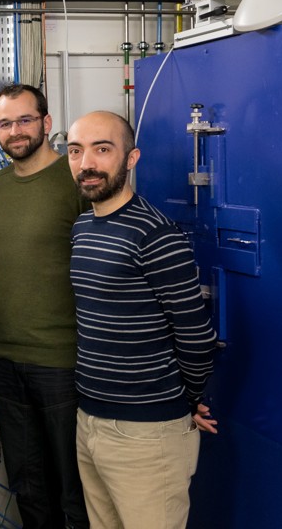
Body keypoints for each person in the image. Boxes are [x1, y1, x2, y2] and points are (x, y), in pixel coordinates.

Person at [66, 110, 218, 529]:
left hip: (147, 435)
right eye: (76, 151)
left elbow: (196, 335)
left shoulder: (156, 235)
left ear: (131, 159)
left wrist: (183, 403)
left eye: (102, 149)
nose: (87, 163)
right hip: (90, 422)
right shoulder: (83, 228)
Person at [0, 84, 89, 529]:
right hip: (6, 359)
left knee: (75, 490)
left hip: (61, 361)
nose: (15, 131)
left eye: (25, 120)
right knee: (28, 488)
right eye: (5, 124)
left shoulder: (76, 180)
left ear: (47, 124)